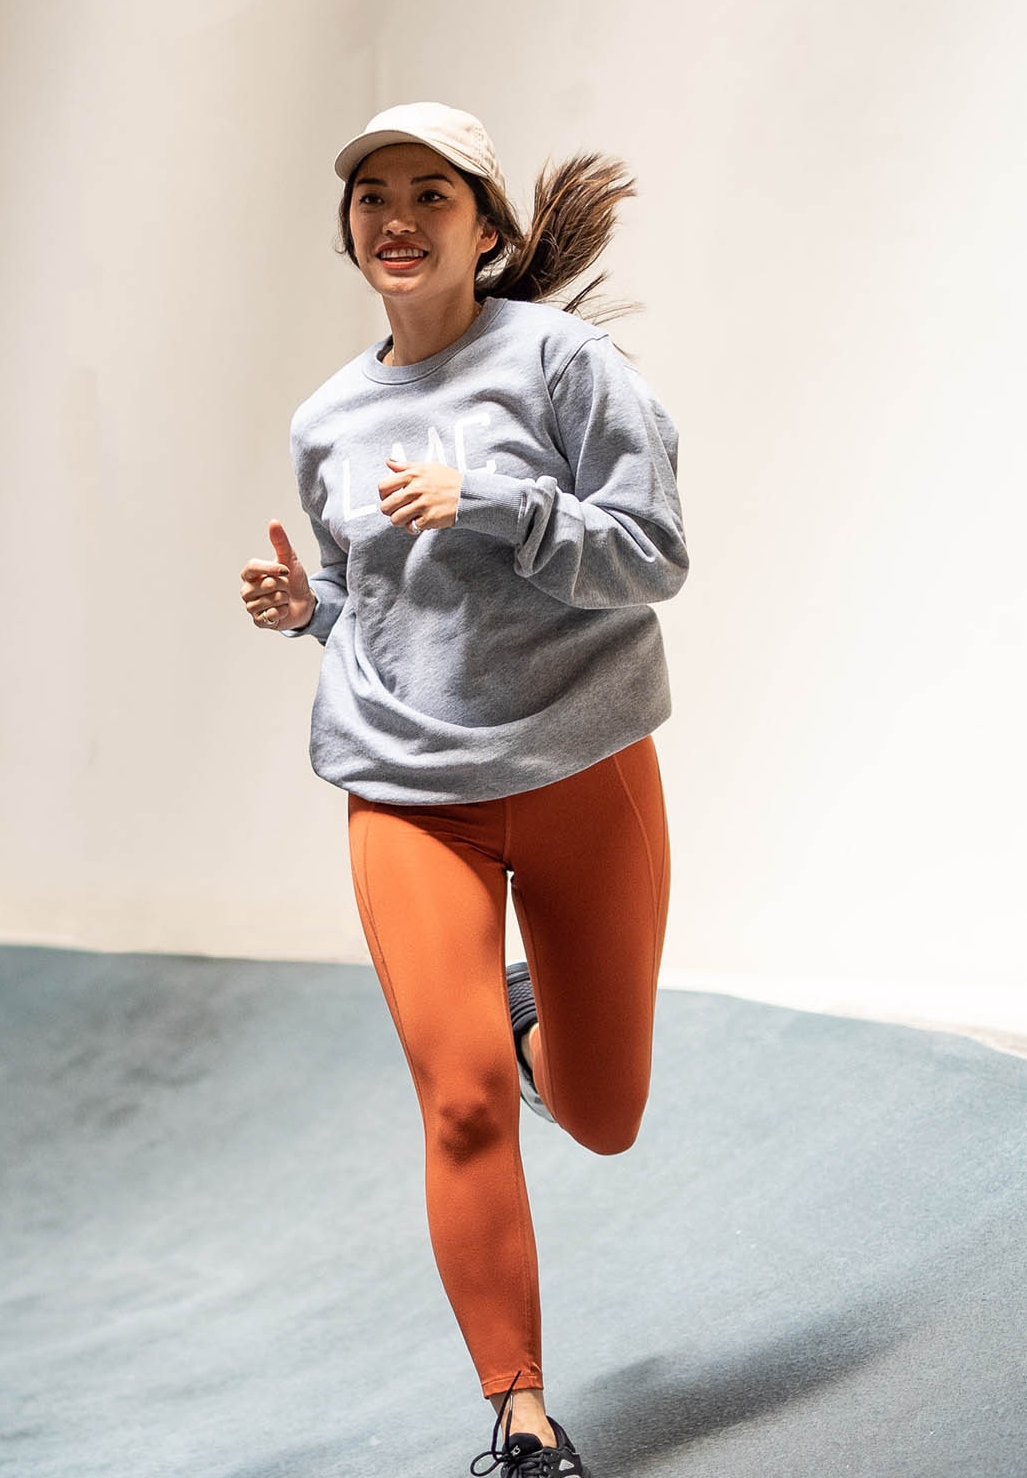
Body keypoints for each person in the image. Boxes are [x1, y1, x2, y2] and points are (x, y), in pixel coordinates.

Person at [238, 102, 684, 1476]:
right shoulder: (326, 419)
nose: (397, 216)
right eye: (373, 194)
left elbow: (655, 552)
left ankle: (523, 1011)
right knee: (464, 1100)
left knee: (605, 1116)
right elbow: (381, 606)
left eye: (431, 193)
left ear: (484, 226)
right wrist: (311, 609)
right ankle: (522, 1417)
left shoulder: (562, 364)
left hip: (582, 768)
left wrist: (489, 500)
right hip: (406, 789)